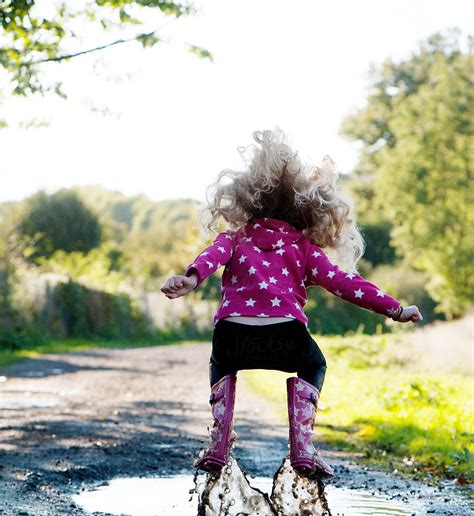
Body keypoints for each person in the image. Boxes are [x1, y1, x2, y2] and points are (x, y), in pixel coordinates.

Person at [161, 129, 422, 479]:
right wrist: (395, 308)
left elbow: (211, 255)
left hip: (232, 334)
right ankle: (303, 447)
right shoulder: (304, 248)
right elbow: (346, 284)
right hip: (286, 335)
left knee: (220, 362)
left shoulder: (234, 239)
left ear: (247, 204)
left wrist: (191, 278)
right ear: (308, 214)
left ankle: (218, 444)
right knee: (315, 365)